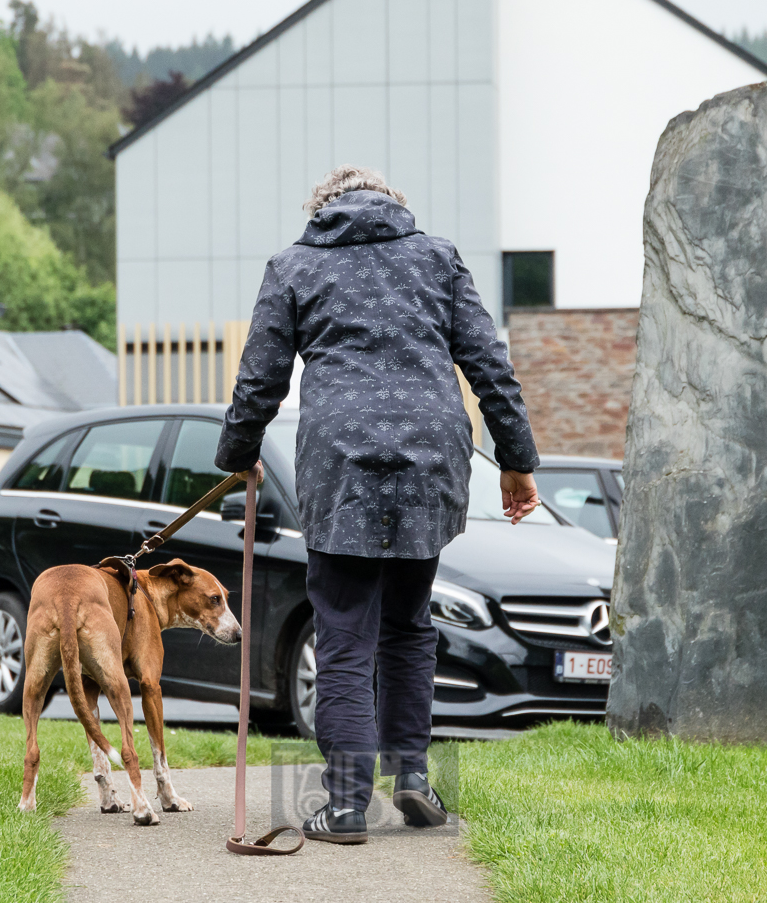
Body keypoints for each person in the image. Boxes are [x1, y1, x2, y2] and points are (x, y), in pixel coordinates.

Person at [215, 165, 540, 845]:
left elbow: (260, 376)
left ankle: (344, 806)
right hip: (431, 453)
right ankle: (414, 778)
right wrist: (516, 462)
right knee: (408, 624)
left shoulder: (294, 265)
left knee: (342, 635)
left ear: (322, 209)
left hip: (341, 459)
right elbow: (489, 366)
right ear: (395, 206)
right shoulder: (437, 257)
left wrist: (238, 451)